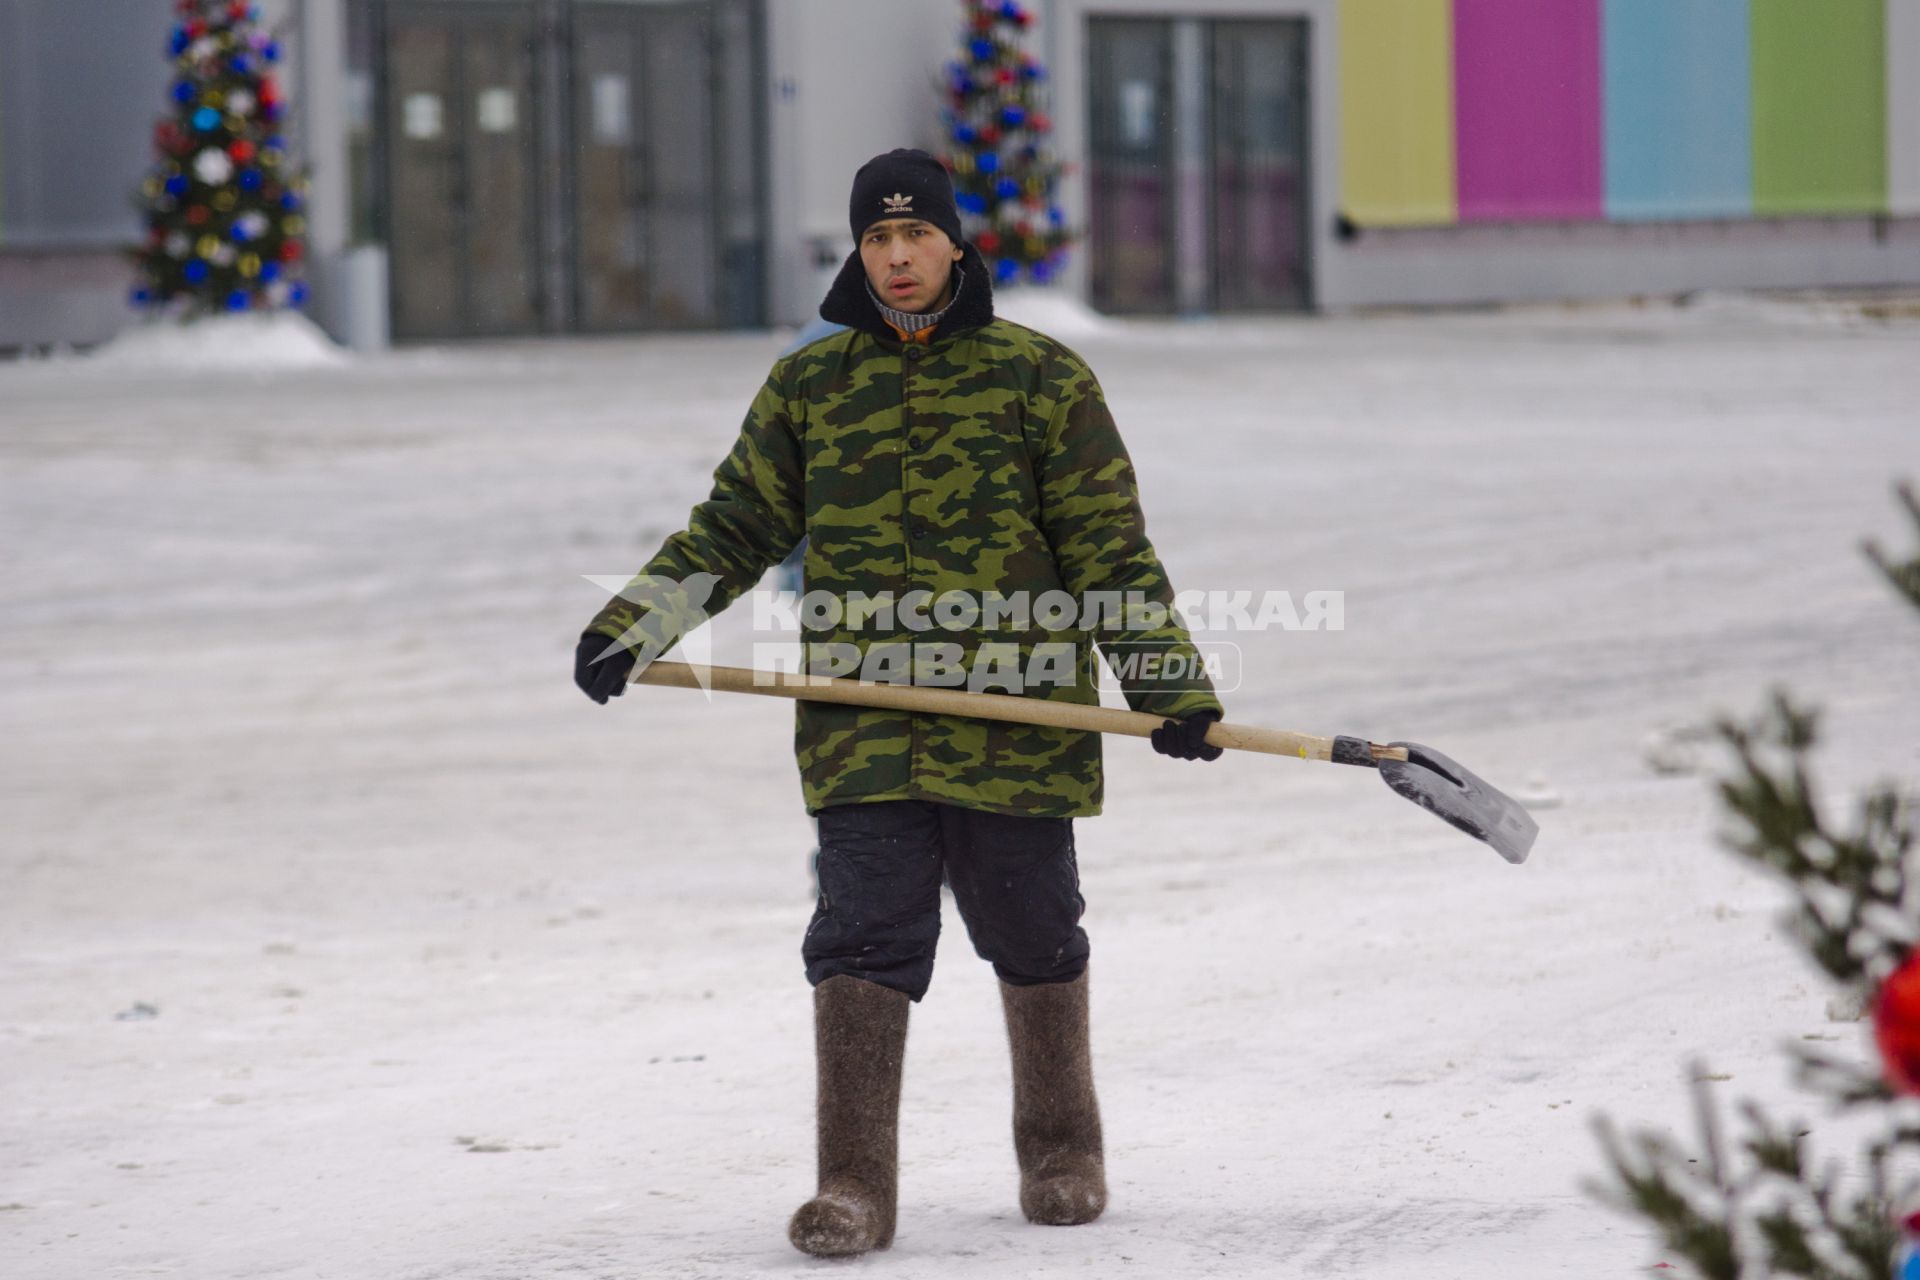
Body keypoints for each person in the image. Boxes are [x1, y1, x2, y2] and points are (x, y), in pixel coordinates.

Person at [573, 148, 1224, 1258]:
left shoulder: (1041, 378)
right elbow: (734, 524)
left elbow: (1108, 548)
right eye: (877, 238)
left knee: (1032, 925)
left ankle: (1063, 1145)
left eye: (915, 235)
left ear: (956, 243)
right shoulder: (812, 386)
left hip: (1018, 715)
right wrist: (636, 619)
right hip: (864, 717)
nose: (898, 256)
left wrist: (1168, 683)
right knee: (861, 935)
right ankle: (853, 1184)